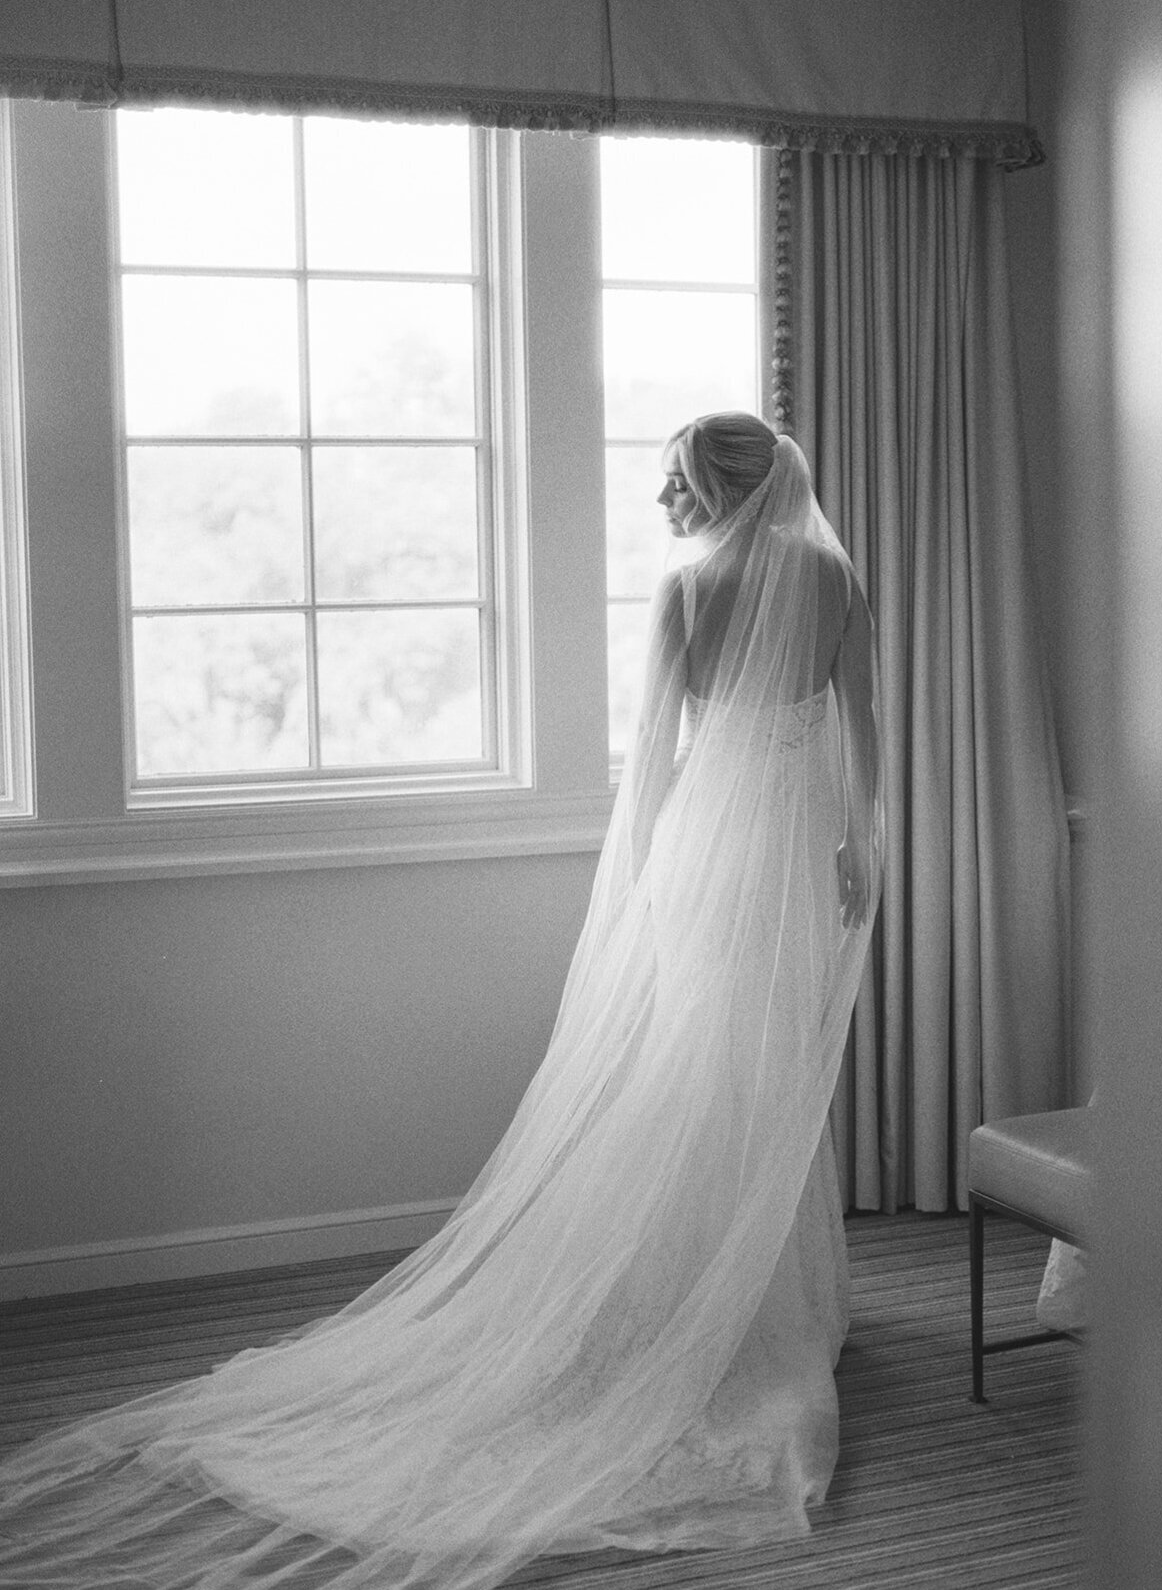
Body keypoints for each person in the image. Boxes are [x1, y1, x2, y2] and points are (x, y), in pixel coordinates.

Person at [0, 413, 883, 1590]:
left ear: (720, 487)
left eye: (674, 481)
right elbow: (863, 725)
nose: (663, 500)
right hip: (787, 848)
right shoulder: (830, 572)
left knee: (702, 1068)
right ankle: (734, 1300)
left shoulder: (687, 589)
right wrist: (857, 846)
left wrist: (653, 886)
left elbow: (655, 762)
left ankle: (722, 1291)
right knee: (755, 1071)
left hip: (711, 856)